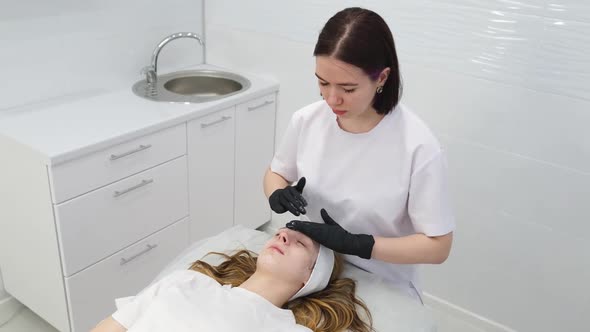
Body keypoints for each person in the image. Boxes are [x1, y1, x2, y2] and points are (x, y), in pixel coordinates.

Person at [264, 7, 455, 303]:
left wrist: (361, 245)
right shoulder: (307, 120)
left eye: (348, 88)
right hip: (314, 268)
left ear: (382, 78)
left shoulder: (418, 147)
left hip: (382, 282)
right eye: (322, 82)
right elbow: (276, 173)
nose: (331, 99)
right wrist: (276, 193)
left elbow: (438, 247)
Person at [91, 228, 373, 332]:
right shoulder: (188, 281)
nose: (283, 235)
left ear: (310, 278)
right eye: (282, 233)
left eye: (301, 244)